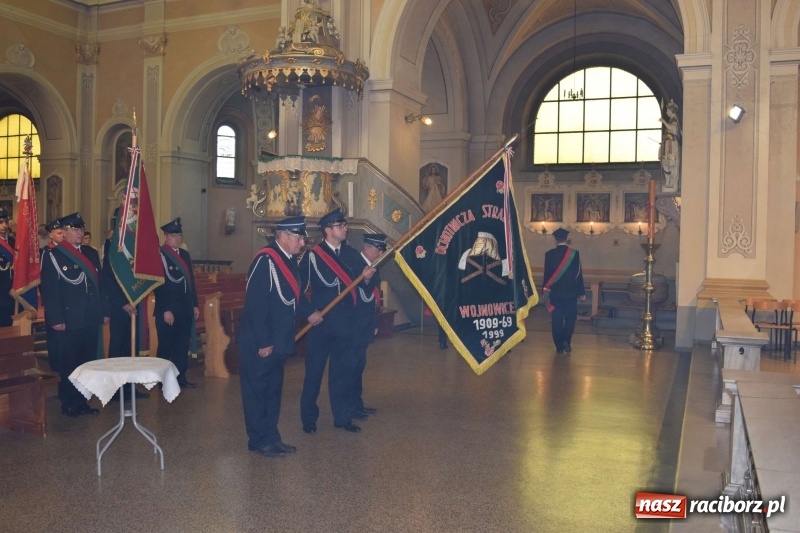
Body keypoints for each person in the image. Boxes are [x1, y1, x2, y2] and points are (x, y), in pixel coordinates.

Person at [238, 216, 322, 458]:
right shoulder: (266, 260)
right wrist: (264, 341)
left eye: (302, 238)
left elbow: (294, 296)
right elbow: (256, 305)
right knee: (257, 394)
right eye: (299, 238)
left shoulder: (287, 261)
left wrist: (310, 314)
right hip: (260, 344)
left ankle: (272, 437)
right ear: (283, 237)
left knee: (273, 392)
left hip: (279, 342)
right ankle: (258, 440)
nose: (303, 243)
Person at [299, 208, 375, 434]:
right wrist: (309, 312)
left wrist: (367, 279)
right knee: (313, 372)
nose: (345, 229)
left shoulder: (351, 254)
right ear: (328, 230)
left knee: (341, 372)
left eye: (344, 225)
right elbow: (298, 290)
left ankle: (342, 417)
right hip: (320, 324)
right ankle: (309, 418)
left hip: (345, 324)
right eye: (340, 226)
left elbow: (363, 289)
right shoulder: (313, 256)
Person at [39, 212, 109, 417]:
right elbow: (50, 290)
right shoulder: (53, 254)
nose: (79, 233)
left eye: (81, 229)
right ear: (65, 232)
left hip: (89, 317)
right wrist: (57, 318)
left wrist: (104, 311)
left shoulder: (90, 253)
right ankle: (69, 403)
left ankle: (82, 401)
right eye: (74, 229)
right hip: (68, 319)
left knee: (87, 363)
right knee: (69, 363)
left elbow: (100, 286)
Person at [153, 217, 200, 388]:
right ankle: (162, 380)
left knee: (181, 345)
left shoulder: (185, 255)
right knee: (166, 346)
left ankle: (180, 378)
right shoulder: (159, 254)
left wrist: (194, 304)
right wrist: (165, 309)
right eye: (173, 235)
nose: (177, 239)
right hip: (168, 310)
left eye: (179, 235)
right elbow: (158, 285)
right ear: (166, 236)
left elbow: (190, 282)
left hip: (184, 309)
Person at [343, 233, 385, 420]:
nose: (380, 253)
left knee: (359, 365)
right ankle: (349, 406)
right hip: (353, 325)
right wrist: (365, 277)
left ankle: (357, 404)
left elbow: (374, 298)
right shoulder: (354, 263)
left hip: (365, 325)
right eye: (378, 249)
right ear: (367, 248)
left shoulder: (374, 267)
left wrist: (374, 323)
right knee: (351, 366)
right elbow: (360, 294)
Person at [542, 228, 585, 354]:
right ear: (566, 239)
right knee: (571, 318)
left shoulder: (549, 254)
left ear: (555, 240)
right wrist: (581, 292)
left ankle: (559, 346)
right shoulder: (575, 254)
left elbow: (547, 275)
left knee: (556, 320)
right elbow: (578, 274)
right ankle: (567, 340)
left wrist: (544, 291)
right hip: (571, 293)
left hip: (555, 294)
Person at [39, 219, 64, 373]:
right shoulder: (45, 252)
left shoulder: (66, 251)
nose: (62, 236)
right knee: (54, 336)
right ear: (51, 235)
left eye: (63, 233)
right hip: (52, 299)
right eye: (59, 233)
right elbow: (44, 280)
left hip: (65, 300)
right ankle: (55, 364)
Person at [660, 99, 681, 191]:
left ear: (671, 110)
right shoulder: (670, 120)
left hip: (672, 146)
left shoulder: (674, 120)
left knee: (672, 164)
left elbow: (674, 130)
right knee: (665, 164)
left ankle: (673, 183)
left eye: (667, 110)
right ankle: (668, 182)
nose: (666, 112)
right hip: (667, 144)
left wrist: (663, 122)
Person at [0, 208, 15, 327]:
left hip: (15, 293)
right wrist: (7, 288)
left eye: (6, 222)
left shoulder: (13, 242)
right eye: (0, 222)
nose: (4, 225)